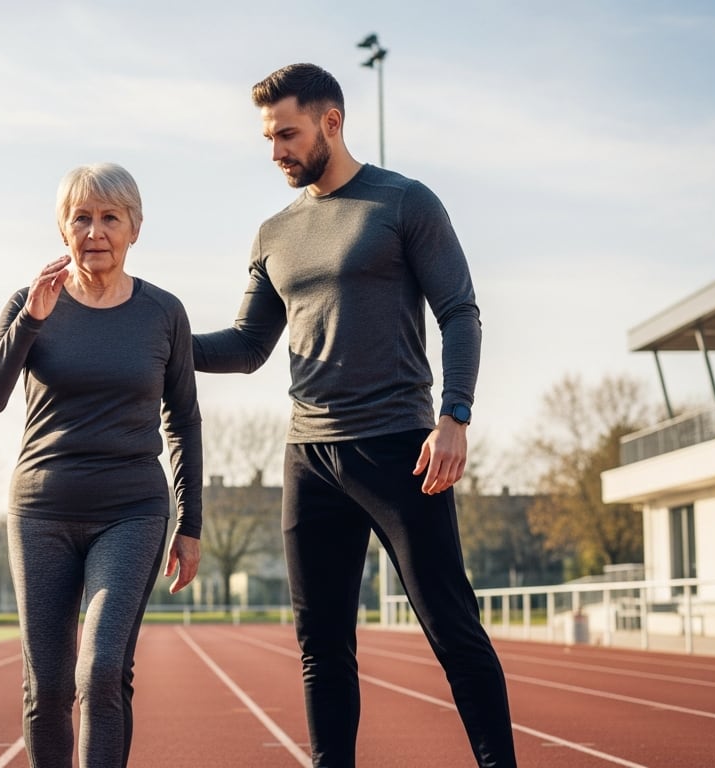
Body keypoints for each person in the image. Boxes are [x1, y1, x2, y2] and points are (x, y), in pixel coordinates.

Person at [192, 63, 516, 767]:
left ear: (330, 123)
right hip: (309, 457)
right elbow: (248, 347)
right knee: (321, 646)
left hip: (401, 447)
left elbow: (460, 312)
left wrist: (454, 415)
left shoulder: (403, 203)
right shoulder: (274, 232)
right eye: (268, 137)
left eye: (287, 133)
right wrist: (157, 340)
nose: (275, 149)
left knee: (452, 628)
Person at [0, 162, 203, 768]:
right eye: (81, 217)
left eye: (109, 218)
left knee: (101, 670)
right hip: (42, 511)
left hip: (131, 511)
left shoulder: (163, 313)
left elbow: (183, 420)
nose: (95, 231)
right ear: (62, 228)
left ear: (134, 229)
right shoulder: (30, 302)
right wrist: (31, 322)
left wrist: (191, 523)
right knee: (47, 686)